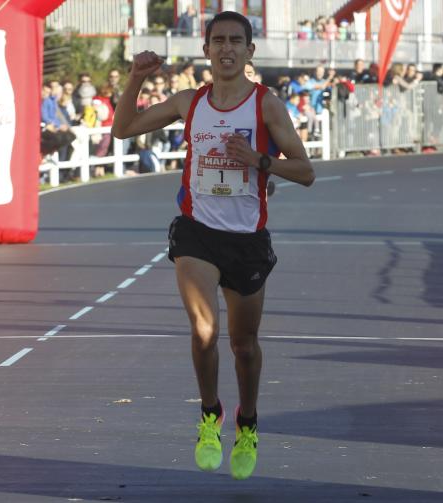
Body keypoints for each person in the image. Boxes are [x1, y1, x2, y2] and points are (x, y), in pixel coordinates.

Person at [111, 11, 314, 480]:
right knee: (204, 331)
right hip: (196, 231)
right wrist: (136, 78)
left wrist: (261, 160)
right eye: (217, 40)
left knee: (243, 345)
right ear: (206, 50)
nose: (226, 48)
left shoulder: (266, 105)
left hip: (246, 240)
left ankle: (248, 421)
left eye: (235, 41)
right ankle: (209, 414)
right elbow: (124, 129)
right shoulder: (189, 102)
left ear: (249, 51)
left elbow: (306, 172)